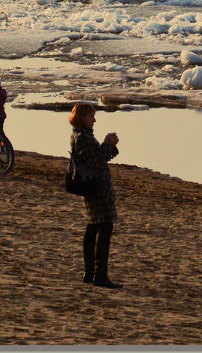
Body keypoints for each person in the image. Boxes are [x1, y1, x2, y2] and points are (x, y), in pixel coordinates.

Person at [68, 103, 121, 289]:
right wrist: (107, 145)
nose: (94, 120)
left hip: (94, 188)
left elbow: (96, 158)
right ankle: (99, 275)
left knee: (93, 229)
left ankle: (90, 273)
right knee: (104, 230)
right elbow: (97, 161)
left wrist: (107, 146)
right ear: (82, 117)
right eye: (91, 116)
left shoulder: (81, 135)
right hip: (96, 190)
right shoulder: (82, 137)